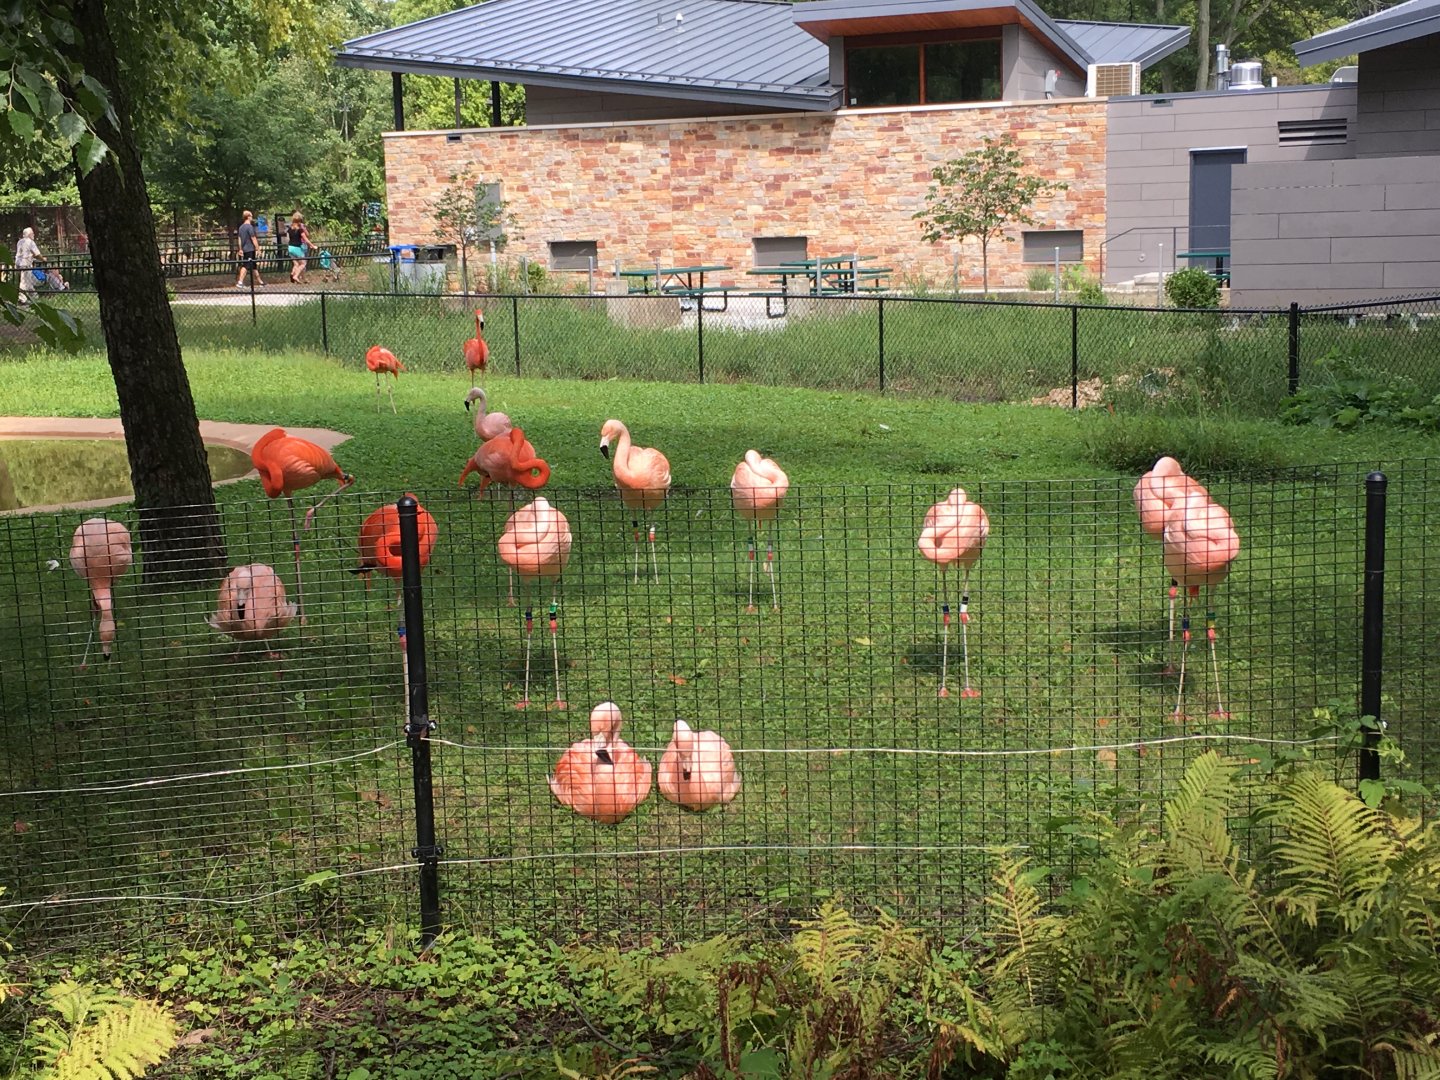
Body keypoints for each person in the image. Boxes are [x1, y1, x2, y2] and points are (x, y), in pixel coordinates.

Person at [234, 210, 265, 289]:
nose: (252, 218)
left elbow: (239, 239)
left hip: (245, 249)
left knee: (253, 266)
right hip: (249, 249)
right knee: (246, 265)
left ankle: (260, 281)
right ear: (248, 217)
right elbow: (253, 238)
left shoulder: (241, 227)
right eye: (251, 216)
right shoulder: (249, 227)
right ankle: (240, 282)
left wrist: (240, 249)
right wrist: (258, 249)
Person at [14, 228, 41, 306]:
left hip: (18, 264)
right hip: (25, 264)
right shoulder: (30, 242)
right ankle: (22, 300)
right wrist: (43, 259)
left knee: (27, 281)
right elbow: (37, 254)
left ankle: (35, 297)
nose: (34, 235)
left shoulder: (20, 241)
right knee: (24, 283)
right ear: (29, 234)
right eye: (33, 233)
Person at [285, 211, 313, 284]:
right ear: (300, 220)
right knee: (303, 263)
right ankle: (296, 276)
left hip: (290, 248)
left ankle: (293, 273)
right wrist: (312, 245)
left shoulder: (289, 229)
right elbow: (306, 238)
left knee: (296, 264)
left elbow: (287, 239)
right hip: (297, 248)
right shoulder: (300, 229)